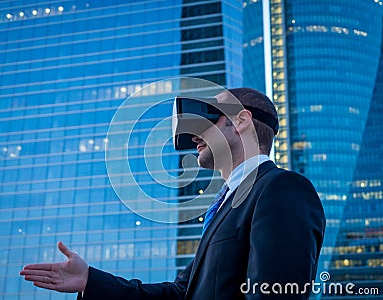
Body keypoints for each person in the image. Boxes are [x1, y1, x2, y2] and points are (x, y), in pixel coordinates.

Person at [20, 88, 326, 299]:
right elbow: (179, 294)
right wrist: (90, 280)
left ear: (241, 121)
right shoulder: (225, 208)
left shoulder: (281, 188)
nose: (194, 135)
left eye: (208, 116)